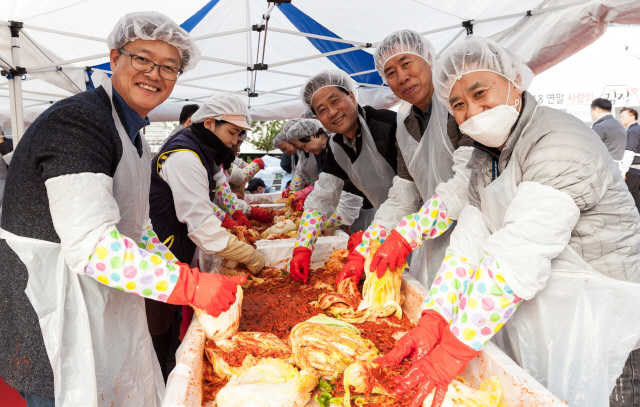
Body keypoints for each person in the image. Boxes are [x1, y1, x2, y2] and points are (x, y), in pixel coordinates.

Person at [375, 36, 640, 407]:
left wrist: (452, 350)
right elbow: (468, 241)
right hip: (556, 314)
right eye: (459, 104)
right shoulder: (488, 157)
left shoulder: (558, 141)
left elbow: (518, 254)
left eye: (480, 91)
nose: (473, 110)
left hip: (608, 317)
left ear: (515, 81)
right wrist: (433, 318)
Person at [0, 12, 248, 407]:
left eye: (169, 67)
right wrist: (190, 286)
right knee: (65, 392)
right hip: (49, 304)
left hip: (97, 294)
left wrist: (177, 269)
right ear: (114, 58)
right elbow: (94, 246)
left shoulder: (132, 134)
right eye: (142, 59)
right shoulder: (79, 122)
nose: (154, 74)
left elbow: (137, 224)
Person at [336, 30, 474, 288]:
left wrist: (407, 235)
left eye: (406, 63)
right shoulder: (405, 124)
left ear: (429, 57)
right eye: (390, 73)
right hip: (436, 237)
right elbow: (404, 191)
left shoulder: (458, 104)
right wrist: (368, 245)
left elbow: (468, 180)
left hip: (480, 240)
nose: (401, 77)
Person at [148, 93, 265, 378]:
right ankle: (162, 378)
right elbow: (199, 223)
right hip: (162, 245)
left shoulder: (201, 150)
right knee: (158, 324)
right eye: (231, 132)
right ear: (210, 123)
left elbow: (207, 202)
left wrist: (229, 219)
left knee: (172, 318)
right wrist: (246, 253)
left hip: (175, 241)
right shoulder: (184, 156)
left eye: (239, 134)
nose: (234, 141)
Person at [289, 69, 397, 283]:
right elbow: (322, 198)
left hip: (421, 221)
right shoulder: (336, 145)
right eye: (322, 110)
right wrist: (303, 246)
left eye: (335, 101)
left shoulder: (389, 125)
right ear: (317, 118)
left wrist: (369, 240)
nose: (332, 112)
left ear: (352, 95)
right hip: (386, 226)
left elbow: (408, 194)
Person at [591, 97, 627, 162]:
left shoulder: (600, 126)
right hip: (618, 165)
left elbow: (591, 148)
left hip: (605, 166)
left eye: (592, 111)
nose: (592, 114)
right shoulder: (618, 124)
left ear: (596, 109)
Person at [621, 107, 640, 211]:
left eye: (623, 116)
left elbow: (630, 150)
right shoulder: (635, 129)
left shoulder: (633, 131)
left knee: (627, 194)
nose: (621, 119)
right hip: (637, 169)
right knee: (636, 194)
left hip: (632, 168)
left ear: (632, 116)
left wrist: (624, 170)